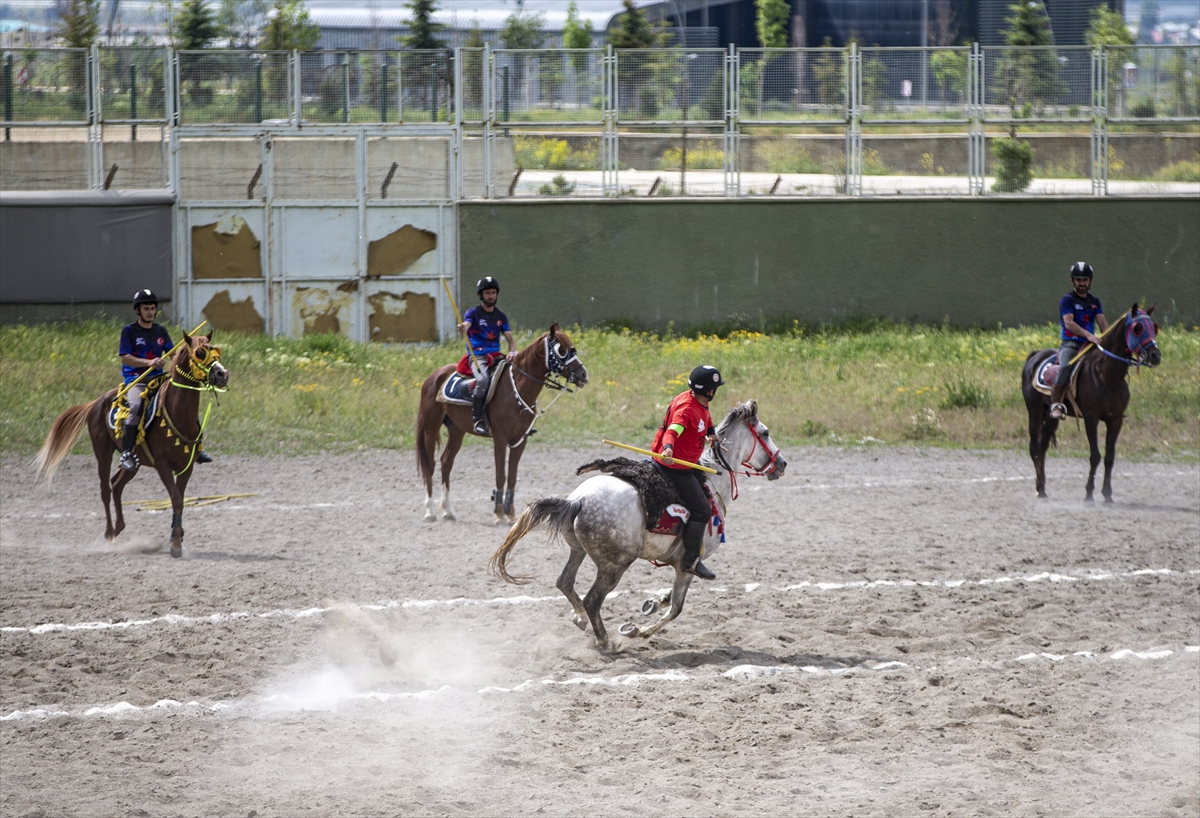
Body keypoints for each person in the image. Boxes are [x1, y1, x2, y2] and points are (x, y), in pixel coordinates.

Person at [117, 290, 213, 471]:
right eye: (146, 309)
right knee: (136, 407)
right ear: (138, 310)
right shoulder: (129, 331)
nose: (150, 312)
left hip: (159, 380)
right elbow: (125, 358)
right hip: (137, 380)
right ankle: (127, 453)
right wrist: (148, 362)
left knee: (185, 403)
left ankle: (197, 449)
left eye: (152, 308)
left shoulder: (160, 331)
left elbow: (173, 354)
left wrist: (190, 358)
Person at [651, 364, 725, 580]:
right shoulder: (686, 410)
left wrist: (711, 433)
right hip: (676, 467)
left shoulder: (698, 400)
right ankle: (690, 560)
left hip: (686, 461)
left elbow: (705, 418)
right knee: (702, 510)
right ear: (710, 391)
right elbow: (673, 430)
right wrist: (668, 448)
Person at [456, 276, 515, 435]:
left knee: (518, 376)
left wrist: (512, 352)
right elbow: (466, 325)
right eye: (487, 293)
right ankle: (477, 419)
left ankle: (520, 418)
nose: (491, 296)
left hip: (497, 356)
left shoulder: (501, 316)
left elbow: (510, 339)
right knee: (483, 380)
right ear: (480, 295)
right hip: (478, 356)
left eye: (493, 293)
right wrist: (463, 328)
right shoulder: (473, 313)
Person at [1050, 262, 1108, 420]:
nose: (1082, 283)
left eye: (1085, 280)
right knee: (1065, 367)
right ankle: (1056, 404)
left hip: (1091, 344)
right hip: (1071, 343)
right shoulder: (1067, 300)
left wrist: (1107, 337)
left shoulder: (1095, 301)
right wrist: (1088, 335)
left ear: (1090, 281)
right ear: (1072, 281)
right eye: (1078, 280)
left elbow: (1102, 322)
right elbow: (1069, 322)